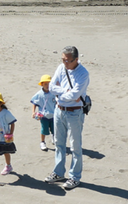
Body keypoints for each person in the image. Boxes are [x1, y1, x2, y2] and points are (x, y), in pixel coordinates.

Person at [44, 45, 89, 190]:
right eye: (63, 59)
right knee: (59, 143)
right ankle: (58, 173)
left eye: (67, 61)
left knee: (75, 146)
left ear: (76, 59)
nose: (65, 63)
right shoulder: (61, 68)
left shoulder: (83, 73)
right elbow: (51, 87)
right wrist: (64, 91)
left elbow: (75, 95)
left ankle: (75, 177)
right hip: (59, 110)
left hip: (74, 113)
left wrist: (63, 93)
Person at [31, 75, 56, 151]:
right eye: (45, 84)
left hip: (54, 115)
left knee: (55, 129)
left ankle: (53, 137)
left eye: (49, 84)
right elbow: (34, 102)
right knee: (44, 130)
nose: (47, 86)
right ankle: (42, 142)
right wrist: (33, 112)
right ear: (41, 84)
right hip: (44, 116)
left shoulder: (54, 92)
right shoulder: (39, 94)